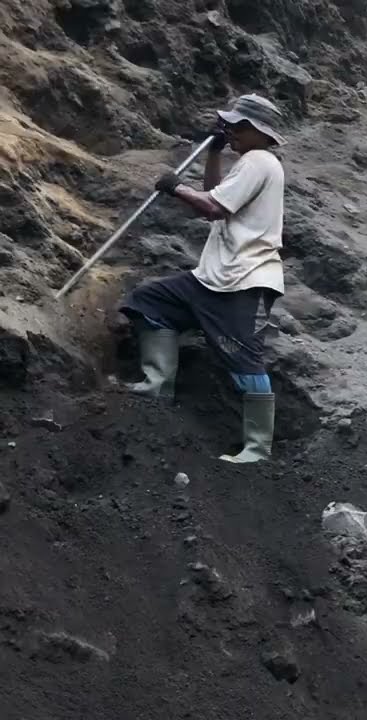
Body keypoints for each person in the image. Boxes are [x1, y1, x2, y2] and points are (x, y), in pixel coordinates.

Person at [118, 94, 287, 464]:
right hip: (212, 277)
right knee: (150, 303)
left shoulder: (260, 161)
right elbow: (216, 201)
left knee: (245, 359)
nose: (231, 131)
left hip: (244, 281)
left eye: (238, 126)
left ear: (259, 131)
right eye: (229, 125)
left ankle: (257, 450)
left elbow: (211, 206)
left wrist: (175, 187)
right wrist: (214, 153)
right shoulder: (250, 162)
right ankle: (156, 386)